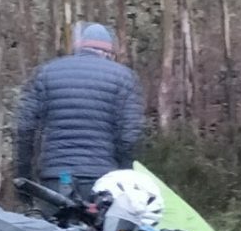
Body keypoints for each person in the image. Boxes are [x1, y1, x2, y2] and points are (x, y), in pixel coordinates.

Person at [12, 21, 144, 195]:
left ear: (80, 47)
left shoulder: (46, 73)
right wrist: (127, 176)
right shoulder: (124, 78)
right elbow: (128, 137)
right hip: (103, 179)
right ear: (109, 52)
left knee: (53, 222)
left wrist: (24, 176)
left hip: (55, 177)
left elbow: (25, 129)